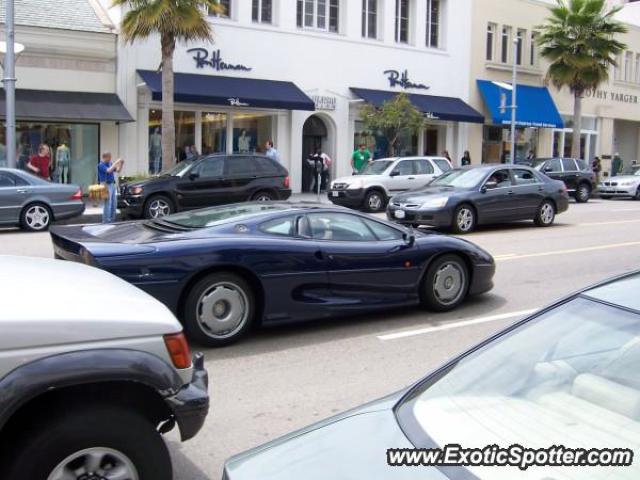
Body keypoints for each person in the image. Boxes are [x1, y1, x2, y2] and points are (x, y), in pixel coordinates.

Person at [98, 152, 124, 223]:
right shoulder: (101, 165)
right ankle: (106, 221)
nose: (110, 159)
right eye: (109, 158)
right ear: (105, 157)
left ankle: (112, 220)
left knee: (114, 203)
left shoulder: (110, 163)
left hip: (112, 185)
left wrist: (121, 164)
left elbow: (118, 170)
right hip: (105, 185)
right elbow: (108, 170)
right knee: (107, 204)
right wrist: (116, 162)